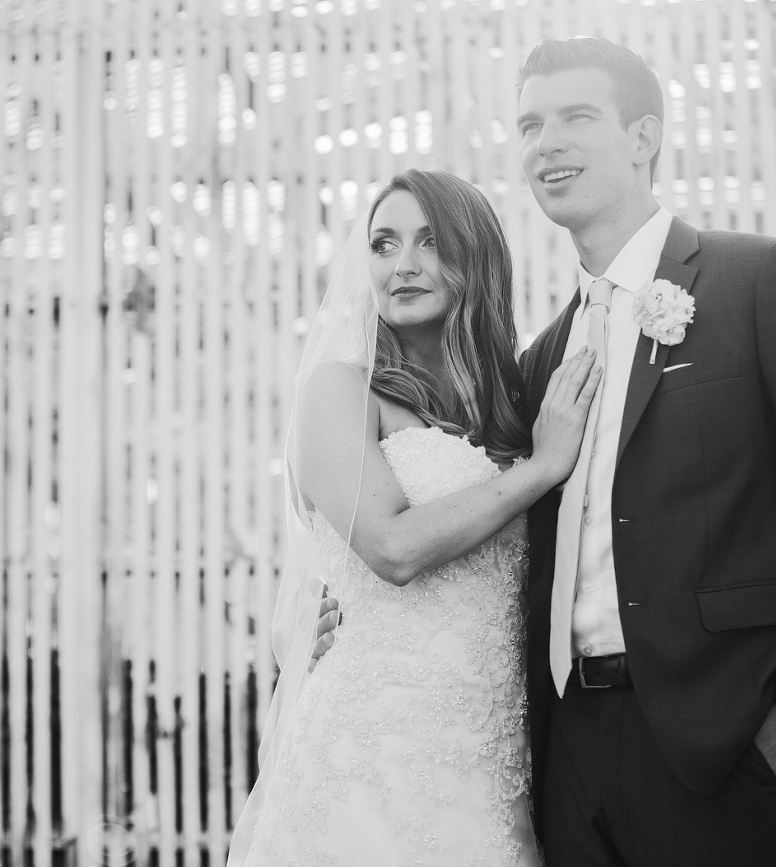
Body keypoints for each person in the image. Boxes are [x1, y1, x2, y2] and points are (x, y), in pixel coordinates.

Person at [512, 37, 776, 865]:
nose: (544, 143)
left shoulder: (756, 279)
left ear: (642, 137)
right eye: (528, 124)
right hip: (569, 751)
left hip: (723, 746)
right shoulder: (541, 358)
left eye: (575, 117)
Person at [226, 168, 600, 867]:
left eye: (429, 242)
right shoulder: (338, 390)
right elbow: (391, 547)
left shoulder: (515, 414)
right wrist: (541, 468)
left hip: (490, 759)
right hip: (369, 749)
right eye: (383, 243)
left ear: (476, 257)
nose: (403, 264)